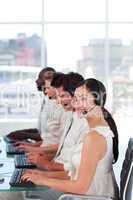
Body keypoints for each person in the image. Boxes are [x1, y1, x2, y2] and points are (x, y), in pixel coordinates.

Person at [22, 78, 119, 200]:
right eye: (76, 99)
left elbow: (81, 187)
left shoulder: (94, 137)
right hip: (86, 195)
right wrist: (42, 175)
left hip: (90, 197)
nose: (75, 104)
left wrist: (44, 180)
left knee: (26, 193)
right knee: (27, 189)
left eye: (82, 99)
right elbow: (74, 175)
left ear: (97, 100)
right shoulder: (93, 131)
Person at [6, 67, 56, 141]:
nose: (36, 81)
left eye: (40, 78)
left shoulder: (55, 104)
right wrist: (23, 132)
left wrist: (25, 135)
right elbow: (41, 130)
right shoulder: (46, 100)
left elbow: (50, 136)